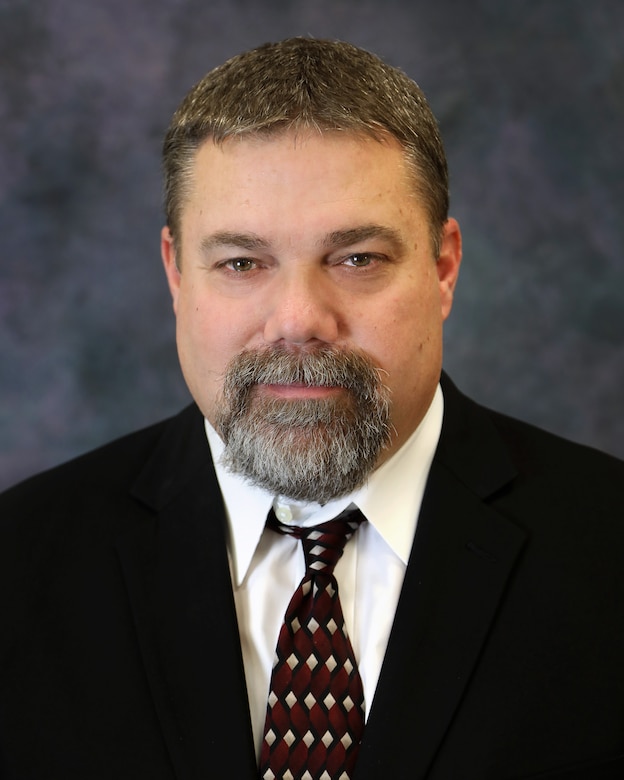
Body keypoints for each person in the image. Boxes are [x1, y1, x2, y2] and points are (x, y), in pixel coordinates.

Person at [0, 37, 622, 780]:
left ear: (444, 267)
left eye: (356, 258)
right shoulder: (18, 564)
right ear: (175, 272)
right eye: (241, 263)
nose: (298, 319)